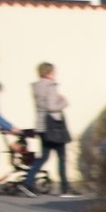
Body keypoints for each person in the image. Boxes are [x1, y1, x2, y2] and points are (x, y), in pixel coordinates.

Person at [29, 61, 75, 195]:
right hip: (54, 126)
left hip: (42, 126)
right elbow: (52, 107)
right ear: (49, 73)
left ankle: (28, 182)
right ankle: (65, 188)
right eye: (53, 72)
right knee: (61, 157)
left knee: (43, 156)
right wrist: (63, 101)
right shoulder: (50, 86)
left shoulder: (36, 87)